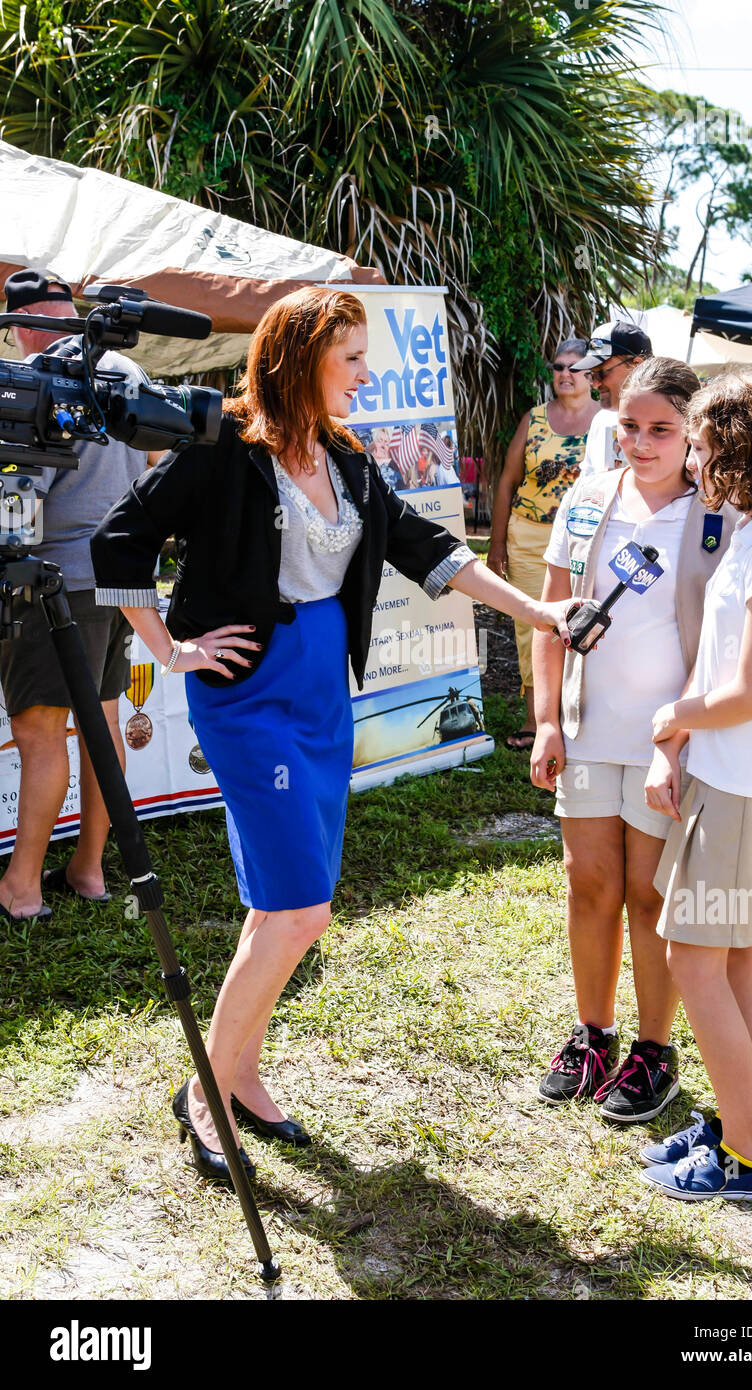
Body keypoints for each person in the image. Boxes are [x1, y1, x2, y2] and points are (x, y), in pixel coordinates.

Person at [91, 286, 575, 1182]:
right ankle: (204, 1091)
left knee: (277, 907)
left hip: (322, 687)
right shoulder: (223, 445)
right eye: (351, 358)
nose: (367, 373)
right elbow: (121, 540)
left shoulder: (346, 455)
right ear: (301, 357)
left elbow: (427, 546)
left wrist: (538, 612)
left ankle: (239, 1074)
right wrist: (171, 646)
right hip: (248, 693)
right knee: (302, 909)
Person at [530, 358, 737, 1122]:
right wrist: (547, 719)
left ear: (692, 434)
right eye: (630, 426)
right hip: (586, 730)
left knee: (652, 894)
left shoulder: (717, 516)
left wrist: (679, 737)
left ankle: (655, 1050)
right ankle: (594, 1034)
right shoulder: (585, 499)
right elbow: (551, 617)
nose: (641, 443)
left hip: (668, 743)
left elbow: (720, 646)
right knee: (591, 884)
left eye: (661, 430)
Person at [640, 372, 752, 1202]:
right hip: (738, 778)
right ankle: (735, 1121)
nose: (695, 462)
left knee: (695, 960)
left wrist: (672, 719)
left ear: (738, 454)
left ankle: (745, 1158)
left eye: (704, 447)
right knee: (734, 955)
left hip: (746, 787)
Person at [0, 269, 158, 923]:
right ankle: (89, 869)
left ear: (27, 323)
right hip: (124, 576)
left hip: (55, 579)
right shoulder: (126, 370)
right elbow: (153, 466)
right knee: (102, 723)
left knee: (40, 736)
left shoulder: (39, 378)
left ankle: (22, 889)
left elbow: (19, 496)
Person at [487, 338, 598, 750]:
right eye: (558, 367)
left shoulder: (608, 421)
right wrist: (496, 545)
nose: (565, 374)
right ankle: (537, 722)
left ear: (592, 374)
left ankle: (579, 717)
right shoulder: (533, 419)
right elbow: (507, 482)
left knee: (586, 622)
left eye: (575, 367)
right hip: (530, 536)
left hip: (586, 538)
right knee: (532, 625)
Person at [576, 321, 653, 479]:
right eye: (591, 375)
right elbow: (585, 482)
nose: (596, 384)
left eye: (602, 373)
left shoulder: (675, 422)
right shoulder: (601, 420)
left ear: (637, 365)